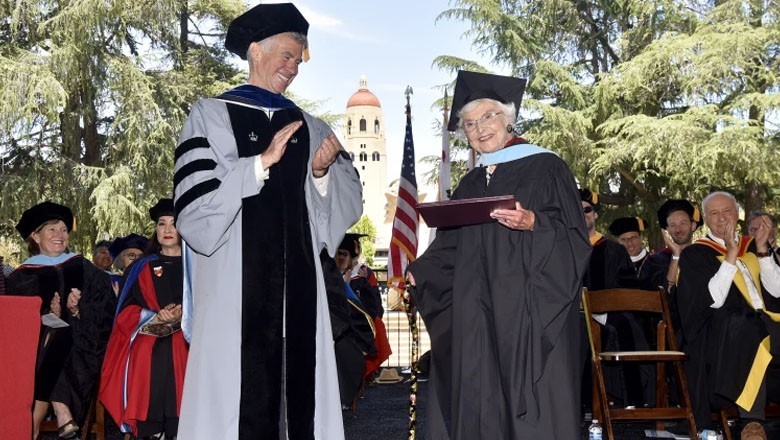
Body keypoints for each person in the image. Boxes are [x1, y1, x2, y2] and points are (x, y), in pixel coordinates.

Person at [172, 3, 362, 439]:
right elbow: (195, 213)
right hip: (234, 298)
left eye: (299, 59)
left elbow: (342, 213)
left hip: (300, 296)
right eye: (288, 54)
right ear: (256, 50)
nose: (294, 67)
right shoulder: (210, 115)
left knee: (299, 406)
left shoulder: (310, 126)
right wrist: (256, 167)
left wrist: (319, 175)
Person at [406, 70, 590, 439]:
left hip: (529, 311)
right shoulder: (471, 182)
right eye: (469, 124)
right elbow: (450, 245)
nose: (479, 129)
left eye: (488, 117)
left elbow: (573, 235)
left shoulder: (546, 166)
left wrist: (534, 222)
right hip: (478, 313)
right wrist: (420, 272)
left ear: (508, 118)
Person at [5, 201, 115, 439]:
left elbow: (106, 315)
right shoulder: (20, 277)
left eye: (64, 229)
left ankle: (38, 424)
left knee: (59, 337)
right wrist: (47, 315)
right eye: (52, 229)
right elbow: (15, 326)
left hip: (83, 349)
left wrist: (76, 311)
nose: (60, 235)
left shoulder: (86, 269)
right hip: (35, 353)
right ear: (35, 236)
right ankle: (61, 412)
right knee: (53, 336)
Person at [677, 191, 780, 438]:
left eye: (727, 211)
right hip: (722, 341)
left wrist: (764, 250)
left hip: (765, 324)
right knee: (747, 326)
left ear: (738, 215)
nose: (722, 218)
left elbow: (776, 293)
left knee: (757, 325)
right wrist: (731, 254)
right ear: (704, 218)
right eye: (714, 213)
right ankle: (751, 422)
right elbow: (711, 301)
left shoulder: (754, 246)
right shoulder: (695, 254)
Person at [100, 198, 188, 439]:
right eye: (162, 224)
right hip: (149, 334)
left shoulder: (198, 264)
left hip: (191, 336)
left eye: (174, 223)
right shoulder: (141, 267)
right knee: (153, 349)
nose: (168, 230)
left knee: (179, 345)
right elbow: (124, 313)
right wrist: (155, 316)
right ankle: (150, 430)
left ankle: (178, 427)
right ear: (156, 229)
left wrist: (185, 314)